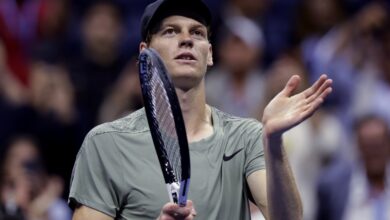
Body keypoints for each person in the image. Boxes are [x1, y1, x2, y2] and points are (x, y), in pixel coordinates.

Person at [68, 0, 333, 219]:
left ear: (210, 54)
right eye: (170, 31)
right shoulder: (106, 144)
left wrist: (273, 142)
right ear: (145, 53)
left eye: (197, 33)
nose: (186, 39)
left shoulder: (246, 137)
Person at [316, 114, 390, 220]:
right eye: (368, 147)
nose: (374, 153)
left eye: (378, 146)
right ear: (358, 146)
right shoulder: (333, 186)